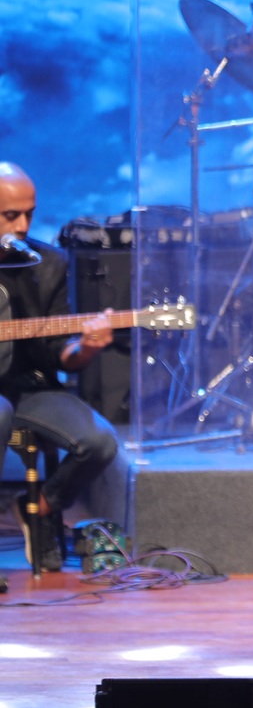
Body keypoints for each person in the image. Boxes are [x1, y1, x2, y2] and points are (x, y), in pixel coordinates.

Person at [0, 162, 120, 573]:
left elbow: (59, 353)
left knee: (101, 442)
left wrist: (86, 348)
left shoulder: (48, 263)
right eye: (9, 215)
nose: (21, 225)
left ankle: (39, 508)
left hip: (31, 387)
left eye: (28, 214)